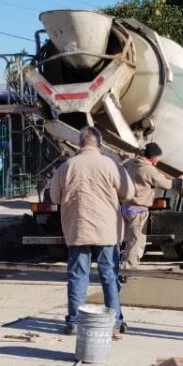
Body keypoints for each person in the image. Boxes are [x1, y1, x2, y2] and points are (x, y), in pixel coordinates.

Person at [49, 126, 136, 335]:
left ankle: (75, 322)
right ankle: (114, 323)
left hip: (78, 230)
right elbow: (129, 192)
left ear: (80, 143)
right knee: (109, 276)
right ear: (99, 143)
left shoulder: (67, 167)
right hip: (107, 231)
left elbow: (54, 198)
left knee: (78, 276)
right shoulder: (110, 165)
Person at [121, 142, 183, 271]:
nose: (157, 163)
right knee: (137, 242)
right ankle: (127, 271)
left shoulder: (132, 163)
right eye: (157, 160)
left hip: (127, 207)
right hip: (138, 210)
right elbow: (166, 184)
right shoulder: (147, 169)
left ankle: (124, 266)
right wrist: (178, 181)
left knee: (130, 240)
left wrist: (125, 156)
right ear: (152, 157)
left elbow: (124, 164)